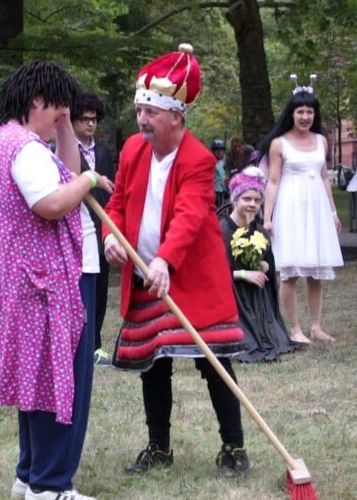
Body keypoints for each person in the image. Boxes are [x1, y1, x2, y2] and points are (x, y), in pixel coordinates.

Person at [103, 44, 250, 477]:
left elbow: (188, 216)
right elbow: (116, 203)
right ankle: (159, 447)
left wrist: (165, 259)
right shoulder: (132, 149)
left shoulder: (199, 159)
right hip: (148, 274)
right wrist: (111, 235)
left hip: (192, 276)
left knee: (215, 360)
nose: (142, 120)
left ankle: (233, 447)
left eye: (150, 112)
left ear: (176, 116)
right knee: (153, 362)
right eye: (139, 111)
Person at [0, 61, 113, 500]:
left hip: (26, 278)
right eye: (58, 106)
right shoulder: (23, 148)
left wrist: (64, 131)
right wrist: (93, 179)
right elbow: (54, 201)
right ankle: (51, 485)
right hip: (45, 281)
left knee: (35, 380)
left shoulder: (7, 140)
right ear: (36, 100)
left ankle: (30, 475)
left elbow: (64, 174)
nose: (63, 114)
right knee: (61, 381)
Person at [259, 81, 343, 345]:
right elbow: (272, 181)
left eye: (309, 112)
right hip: (291, 207)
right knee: (291, 271)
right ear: (291, 114)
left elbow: (325, 178)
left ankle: (316, 326)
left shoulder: (321, 141)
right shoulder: (279, 144)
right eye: (300, 112)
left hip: (316, 207)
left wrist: (333, 212)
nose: (305, 117)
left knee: (316, 270)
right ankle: (295, 329)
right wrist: (268, 217)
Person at [221, 168, 299, 362]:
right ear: (235, 200)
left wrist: (264, 266)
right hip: (232, 299)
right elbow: (211, 275)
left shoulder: (261, 233)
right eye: (247, 199)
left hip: (257, 299)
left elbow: (270, 269)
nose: (252, 204)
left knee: (275, 341)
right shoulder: (220, 232)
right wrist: (243, 274)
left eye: (257, 200)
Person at [70, 92, 117, 366]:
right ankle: (80, 339)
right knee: (81, 287)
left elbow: (111, 190)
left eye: (94, 119)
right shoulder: (66, 150)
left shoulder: (103, 153)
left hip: (103, 225)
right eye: (84, 119)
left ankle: (96, 343)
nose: (90, 124)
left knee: (100, 286)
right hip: (79, 226)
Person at [211, 139, 228, 208]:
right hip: (214, 190)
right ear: (214, 151)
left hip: (221, 190)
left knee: (221, 208)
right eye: (217, 150)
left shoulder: (221, 162)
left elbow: (222, 176)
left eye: (221, 150)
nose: (220, 152)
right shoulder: (211, 162)